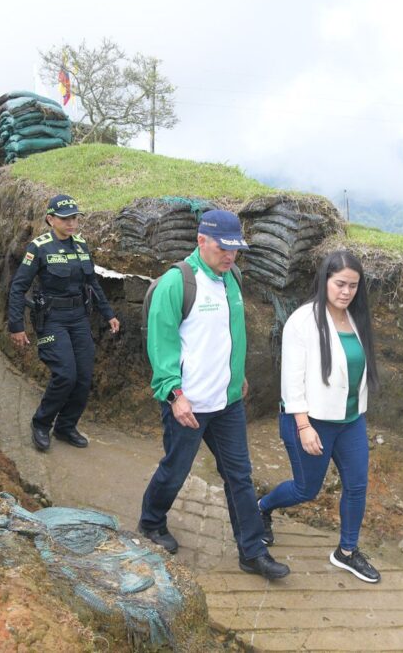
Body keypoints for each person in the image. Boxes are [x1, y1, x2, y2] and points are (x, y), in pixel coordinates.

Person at [138, 210, 290, 581]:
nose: (231, 256)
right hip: (187, 405)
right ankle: (151, 521)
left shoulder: (231, 279)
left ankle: (252, 551)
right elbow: (162, 346)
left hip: (227, 404)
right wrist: (174, 395)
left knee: (240, 476)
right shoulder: (177, 283)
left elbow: (229, 335)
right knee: (175, 470)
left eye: (236, 250)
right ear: (201, 241)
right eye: (224, 249)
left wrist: (237, 378)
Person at [257, 250, 382, 583]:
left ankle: (347, 552)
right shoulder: (303, 321)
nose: (346, 292)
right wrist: (303, 426)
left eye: (353, 286)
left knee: (357, 485)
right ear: (325, 280)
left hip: (350, 420)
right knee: (305, 490)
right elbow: (291, 380)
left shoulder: (356, 319)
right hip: (310, 421)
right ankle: (262, 508)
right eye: (340, 284)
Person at [7, 194, 120, 452]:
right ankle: (41, 423)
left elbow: (92, 283)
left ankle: (66, 427)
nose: (72, 223)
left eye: (75, 218)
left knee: (83, 377)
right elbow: (18, 287)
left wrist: (109, 313)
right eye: (65, 219)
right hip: (51, 320)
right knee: (65, 375)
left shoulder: (81, 245)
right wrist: (16, 325)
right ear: (50, 219)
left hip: (79, 317)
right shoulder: (38, 247)